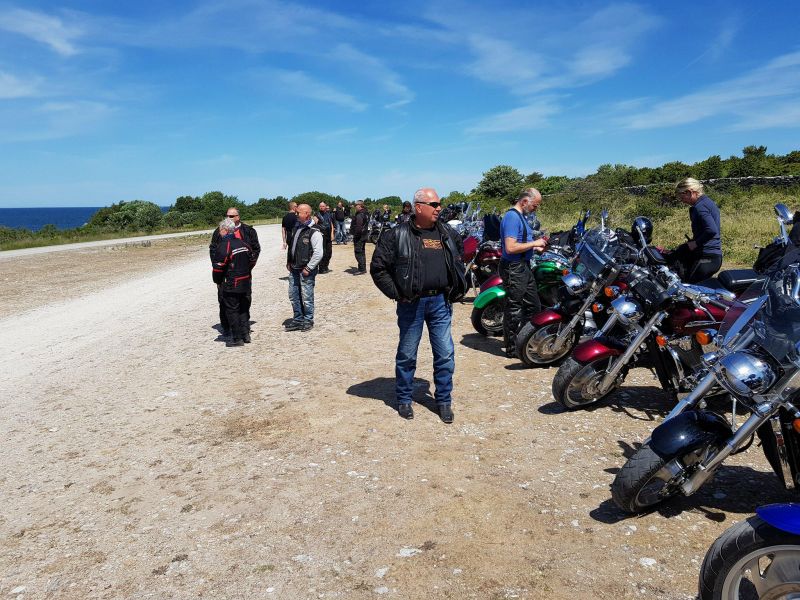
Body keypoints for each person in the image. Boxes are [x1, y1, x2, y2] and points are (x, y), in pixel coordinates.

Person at [370, 187, 468, 423]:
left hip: (440, 303)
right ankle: (404, 398)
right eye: (434, 205)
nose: (439, 208)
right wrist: (397, 293)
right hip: (411, 303)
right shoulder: (397, 235)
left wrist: (455, 287)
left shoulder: (447, 233)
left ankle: (443, 400)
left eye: (439, 204)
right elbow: (378, 268)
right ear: (419, 207)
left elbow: (458, 258)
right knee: (407, 354)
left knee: (445, 354)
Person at [499, 188, 547, 357]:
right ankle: (512, 348)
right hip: (514, 267)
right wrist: (534, 243)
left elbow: (521, 242)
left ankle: (524, 340)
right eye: (535, 205)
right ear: (525, 201)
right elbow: (511, 247)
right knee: (514, 308)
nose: (536, 208)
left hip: (523, 265)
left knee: (533, 306)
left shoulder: (522, 217)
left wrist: (536, 247)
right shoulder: (512, 217)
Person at [209, 207, 260, 340]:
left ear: (238, 216)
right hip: (226, 275)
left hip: (243, 273)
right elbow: (214, 250)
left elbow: (255, 250)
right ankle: (227, 327)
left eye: (232, 216)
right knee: (224, 301)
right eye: (227, 216)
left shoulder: (248, 231)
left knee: (245, 300)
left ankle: (243, 330)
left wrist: (248, 267)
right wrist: (218, 271)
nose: (229, 218)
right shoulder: (218, 232)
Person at [671, 177, 722, 283]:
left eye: (682, 196)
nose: (682, 200)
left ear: (690, 192)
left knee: (688, 287)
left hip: (708, 256)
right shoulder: (706, 202)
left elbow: (711, 230)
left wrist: (696, 243)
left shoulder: (700, 207)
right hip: (711, 255)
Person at [286, 204, 323, 331]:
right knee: (293, 295)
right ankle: (298, 319)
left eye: (298, 213)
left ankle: (308, 320)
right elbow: (292, 246)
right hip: (294, 268)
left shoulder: (314, 231)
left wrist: (309, 268)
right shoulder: (297, 227)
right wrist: (289, 261)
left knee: (307, 296)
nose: (296, 215)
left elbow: (318, 253)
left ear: (307, 214)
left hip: (306, 270)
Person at [350, 200, 370, 274]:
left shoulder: (360, 214)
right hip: (364, 235)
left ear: (360, 205)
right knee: (362, 252)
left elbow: (359, 227)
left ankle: (362, 269)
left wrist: (356, 235)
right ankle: (363, 268)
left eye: (356, 205)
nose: (355, 207)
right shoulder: (366, 213)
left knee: (358, 252)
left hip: (360, 236)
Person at [316, 202, 334, 273]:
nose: (321, 207)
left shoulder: (329, 214)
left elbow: (331, 224)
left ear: (325, 207)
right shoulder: (317, 214)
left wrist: (332, 233)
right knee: (323, 252)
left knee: (329, 252)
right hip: (321, 236)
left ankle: (326, 266)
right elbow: (315, 224)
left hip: (329, 235)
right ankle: (321, 268)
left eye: (323, 206)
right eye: (320, 206)